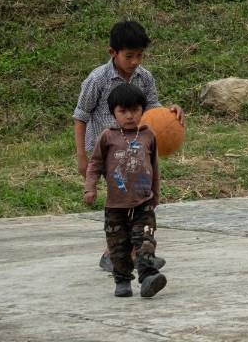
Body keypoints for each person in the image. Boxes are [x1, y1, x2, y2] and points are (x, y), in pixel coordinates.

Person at [74, 20, 183, 273]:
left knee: (139, 200)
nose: (135, 61)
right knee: (124, 202)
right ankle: (118, 253)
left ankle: (132, 252)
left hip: (135, 151)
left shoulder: (144, 77)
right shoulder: (97, 79)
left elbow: (152, 107)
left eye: (140, 55)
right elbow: (80, 115)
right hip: (108, 152)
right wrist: (82, 156)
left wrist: (171, 110)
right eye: (129, 56)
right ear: (113, 53)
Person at [83, 83, 168, 298]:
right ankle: (122, 280)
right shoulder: (107, 137)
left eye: (135, 110)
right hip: (115, 204)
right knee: (118, 246)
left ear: (142, 110)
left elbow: (154, 167)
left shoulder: (149, 135)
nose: (130, 116)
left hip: (143, 201)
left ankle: (149, 276)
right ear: (113, 113)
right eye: (123, 111)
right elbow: (95, 165)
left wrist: (156, 194)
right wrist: (90, 188)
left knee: (145, 240)